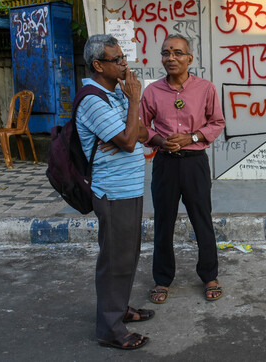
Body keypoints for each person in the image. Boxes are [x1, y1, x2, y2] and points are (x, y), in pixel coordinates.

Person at [77, 34, 152, 350]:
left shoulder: (116, 94)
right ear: (98, 65)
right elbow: (129, 141)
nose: (125, 64)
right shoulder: (93, 99)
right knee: (115, 259)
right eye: (117, 59)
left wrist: (129, 126)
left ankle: (118, 310)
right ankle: (109, 328)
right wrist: (134, 102)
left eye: (123, 57)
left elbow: (143, 132)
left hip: (130, 187)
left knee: (128, 254)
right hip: (113, 191)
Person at [140, 34, 225, 304]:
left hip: (194, 164)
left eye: (177, 53)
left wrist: (192, 137)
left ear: (190, 58)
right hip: (165, 163)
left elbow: (217, 122)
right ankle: (162, 279)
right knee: (163, 223)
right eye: (166, 53)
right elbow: (142, 127)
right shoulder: (152, 91)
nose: (171, 58)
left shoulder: (206, 89)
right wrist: (159, 140)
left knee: (202, 220)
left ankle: (209, 275)